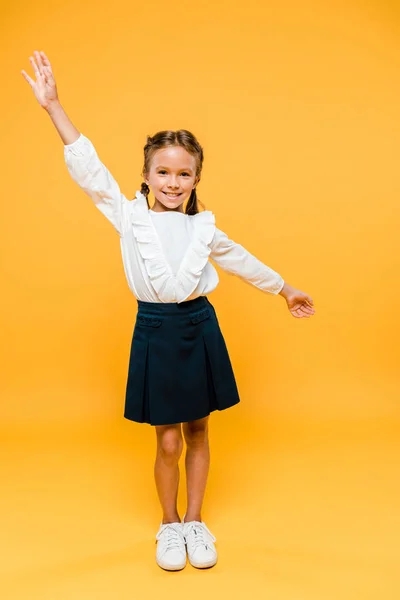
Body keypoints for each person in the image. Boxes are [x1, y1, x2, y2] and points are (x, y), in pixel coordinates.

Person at [22, 50, 316, 572]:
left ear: (196, 178)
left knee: (200, 429)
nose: (173, 182)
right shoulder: (127, 215)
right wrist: (54, 108)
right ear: (146, 173)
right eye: (163, 171)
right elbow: (89, 171)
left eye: (184, 174)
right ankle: (169, 524)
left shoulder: (204, 229)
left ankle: (197, 522)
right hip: (155, 331)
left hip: (199, 326)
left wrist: (284, 288)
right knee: (167, 440)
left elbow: (240, 259)